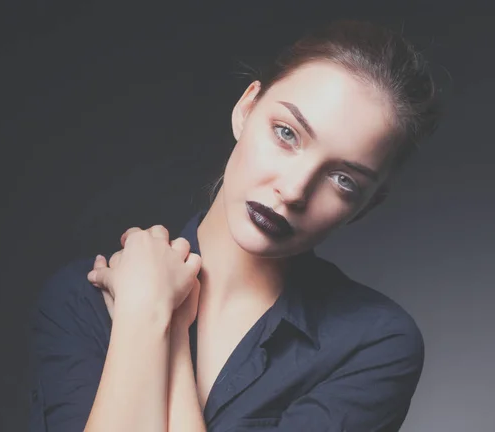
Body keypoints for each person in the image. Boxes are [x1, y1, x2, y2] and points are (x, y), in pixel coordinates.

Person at [29, 19, 441, 432]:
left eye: (343, 180)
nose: (294, 190)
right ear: (246, 110)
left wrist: (155, 317)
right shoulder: (82, 299)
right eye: (286, 133)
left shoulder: (375, 344)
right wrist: (147, 311)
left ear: (366, 206)